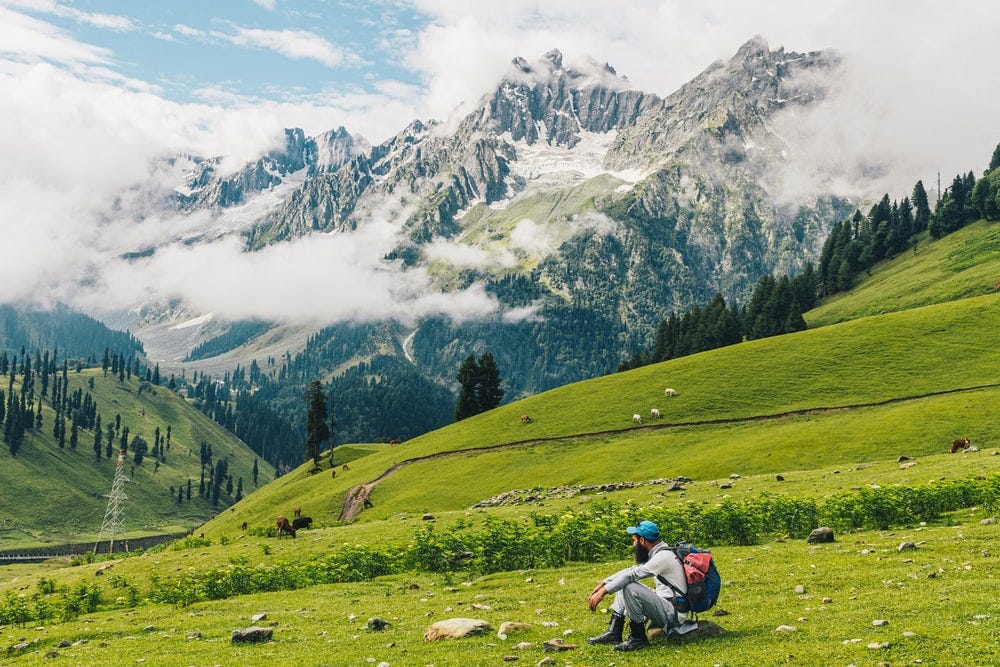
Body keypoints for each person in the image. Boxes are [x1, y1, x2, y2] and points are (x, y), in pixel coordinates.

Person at [586, 520, 687, 651]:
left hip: (673, 613)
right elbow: (630, 571)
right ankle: (614, 633)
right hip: (667, 604)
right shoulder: (659, 552)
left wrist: (604, 591)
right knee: (625, 583)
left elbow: (631, 576)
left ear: (642, 541)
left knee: (630, 587)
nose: (633, 544)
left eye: (634, 540)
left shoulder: (663, 557)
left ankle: (638, 638)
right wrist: (604, 582)